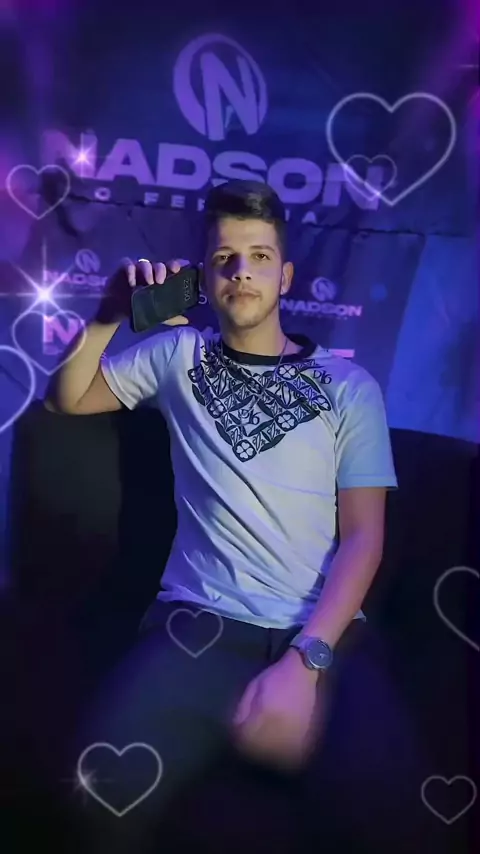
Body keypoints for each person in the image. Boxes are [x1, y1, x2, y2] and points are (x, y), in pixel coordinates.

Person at [47, 180, 433, 853]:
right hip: (199, 623)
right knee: (94, 801)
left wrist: (305, 663)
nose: (241, 272)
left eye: (259, 257)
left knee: (395, 817)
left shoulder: (349, 387)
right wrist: (108, 315)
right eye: (224, 258)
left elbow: (365, 538)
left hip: (326, 631)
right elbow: (67, 399)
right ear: (204, 276)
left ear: (285, 277)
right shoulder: (177, 356)